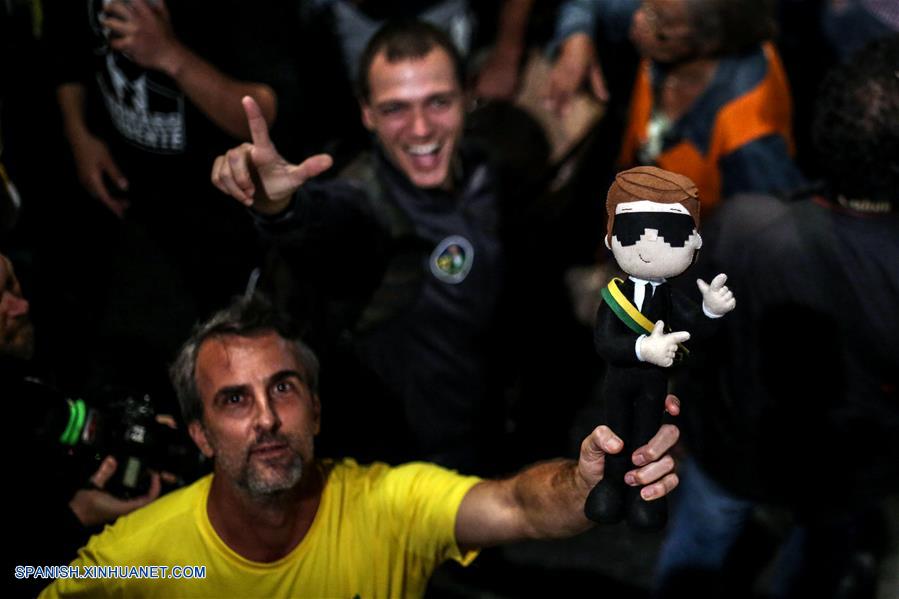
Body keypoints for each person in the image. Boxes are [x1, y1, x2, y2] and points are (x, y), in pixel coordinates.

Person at [40, 294, 680, 598]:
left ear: (316, 410)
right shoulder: (150, 559)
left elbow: (516, 506)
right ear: (200, 436)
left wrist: (583, 480)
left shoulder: (389, 507)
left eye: (283, 388)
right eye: (234, 399)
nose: (266, 418)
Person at [654, 35, 899, 598]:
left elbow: (690, 329)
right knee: (816, 564)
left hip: (733, 446)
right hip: (847, 467)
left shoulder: (746, 226)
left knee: (700, 547)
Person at [212, 20, 517, 472]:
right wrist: (280, 207)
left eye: (438, 102)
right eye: (395, 109)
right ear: (367, 114)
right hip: (407, 466)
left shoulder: (487, 172)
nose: (420, 128)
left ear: (466, 97)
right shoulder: (365, 199)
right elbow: (327, 224)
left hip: (489, 433)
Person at [42, 0, 300, 395]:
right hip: (129, 203)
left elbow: (263, 111)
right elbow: (66, 46)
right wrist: (79, 134)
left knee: (234, 356)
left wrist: (168, 54)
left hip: (222, 214)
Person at [1, 253, 164, 596]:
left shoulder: (46, 324)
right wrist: (77, 517)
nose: (21, 306)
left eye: (11, 285)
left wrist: (132, 422)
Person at [546, 0, 805, 209]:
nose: (638, 19)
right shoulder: (672, 14)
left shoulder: (751, 142)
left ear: (709, 42)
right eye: (645, 6)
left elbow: (763, 233)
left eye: (658, 20)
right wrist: (576, 36)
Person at [586, 166, 734, 530]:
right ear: (611, 239)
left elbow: (694, 330)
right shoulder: (615, 299)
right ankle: (610, 486)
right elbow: (605, 341)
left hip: (655, 386)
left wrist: (710, 311)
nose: (649, 244)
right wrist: (642, 349)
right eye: (632, 231)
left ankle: (642, 495)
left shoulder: (672, 299)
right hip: (619, 383)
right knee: (615, 434)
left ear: (694, 242)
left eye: (670, 233)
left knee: (647, 437)